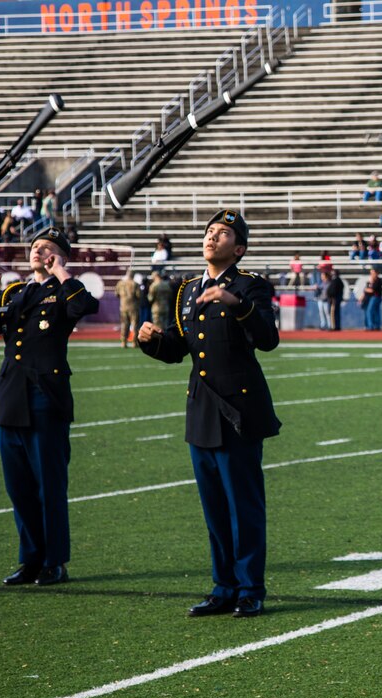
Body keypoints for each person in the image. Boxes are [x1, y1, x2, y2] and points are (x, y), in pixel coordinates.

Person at [137, 210, 281, 618]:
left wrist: (234, 303)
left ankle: (251, 588)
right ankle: (224, 587)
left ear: (238, 249)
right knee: (214, 508)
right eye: (209, 232)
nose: (212, 238)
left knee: (244, 507)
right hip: (201, 411)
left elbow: (267, 339)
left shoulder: (251, 287)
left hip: (239, 410)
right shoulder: (186, 290)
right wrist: (151, 341)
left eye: (222, 234)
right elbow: (178, 350)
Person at [0, 226, 99, 586]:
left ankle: (55, 561)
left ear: (62, 256)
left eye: (48, 248)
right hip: (10, 395)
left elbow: (83, 306)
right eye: (36, 246)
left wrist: (61, 272)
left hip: (45, 396)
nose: (39, 251)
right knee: (19, 486)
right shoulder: (15, 292)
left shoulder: (64, 289)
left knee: (49, 485)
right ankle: (30, 558)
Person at [115, 270, 142, 348]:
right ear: (133, 276)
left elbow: (116, 294)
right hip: (133, 307)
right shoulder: (135, 284)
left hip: (123, 307)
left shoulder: (120, 284)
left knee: (124, 324)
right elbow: (138, 295)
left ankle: (124, 342)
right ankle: (134, 342)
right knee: (135, 325)